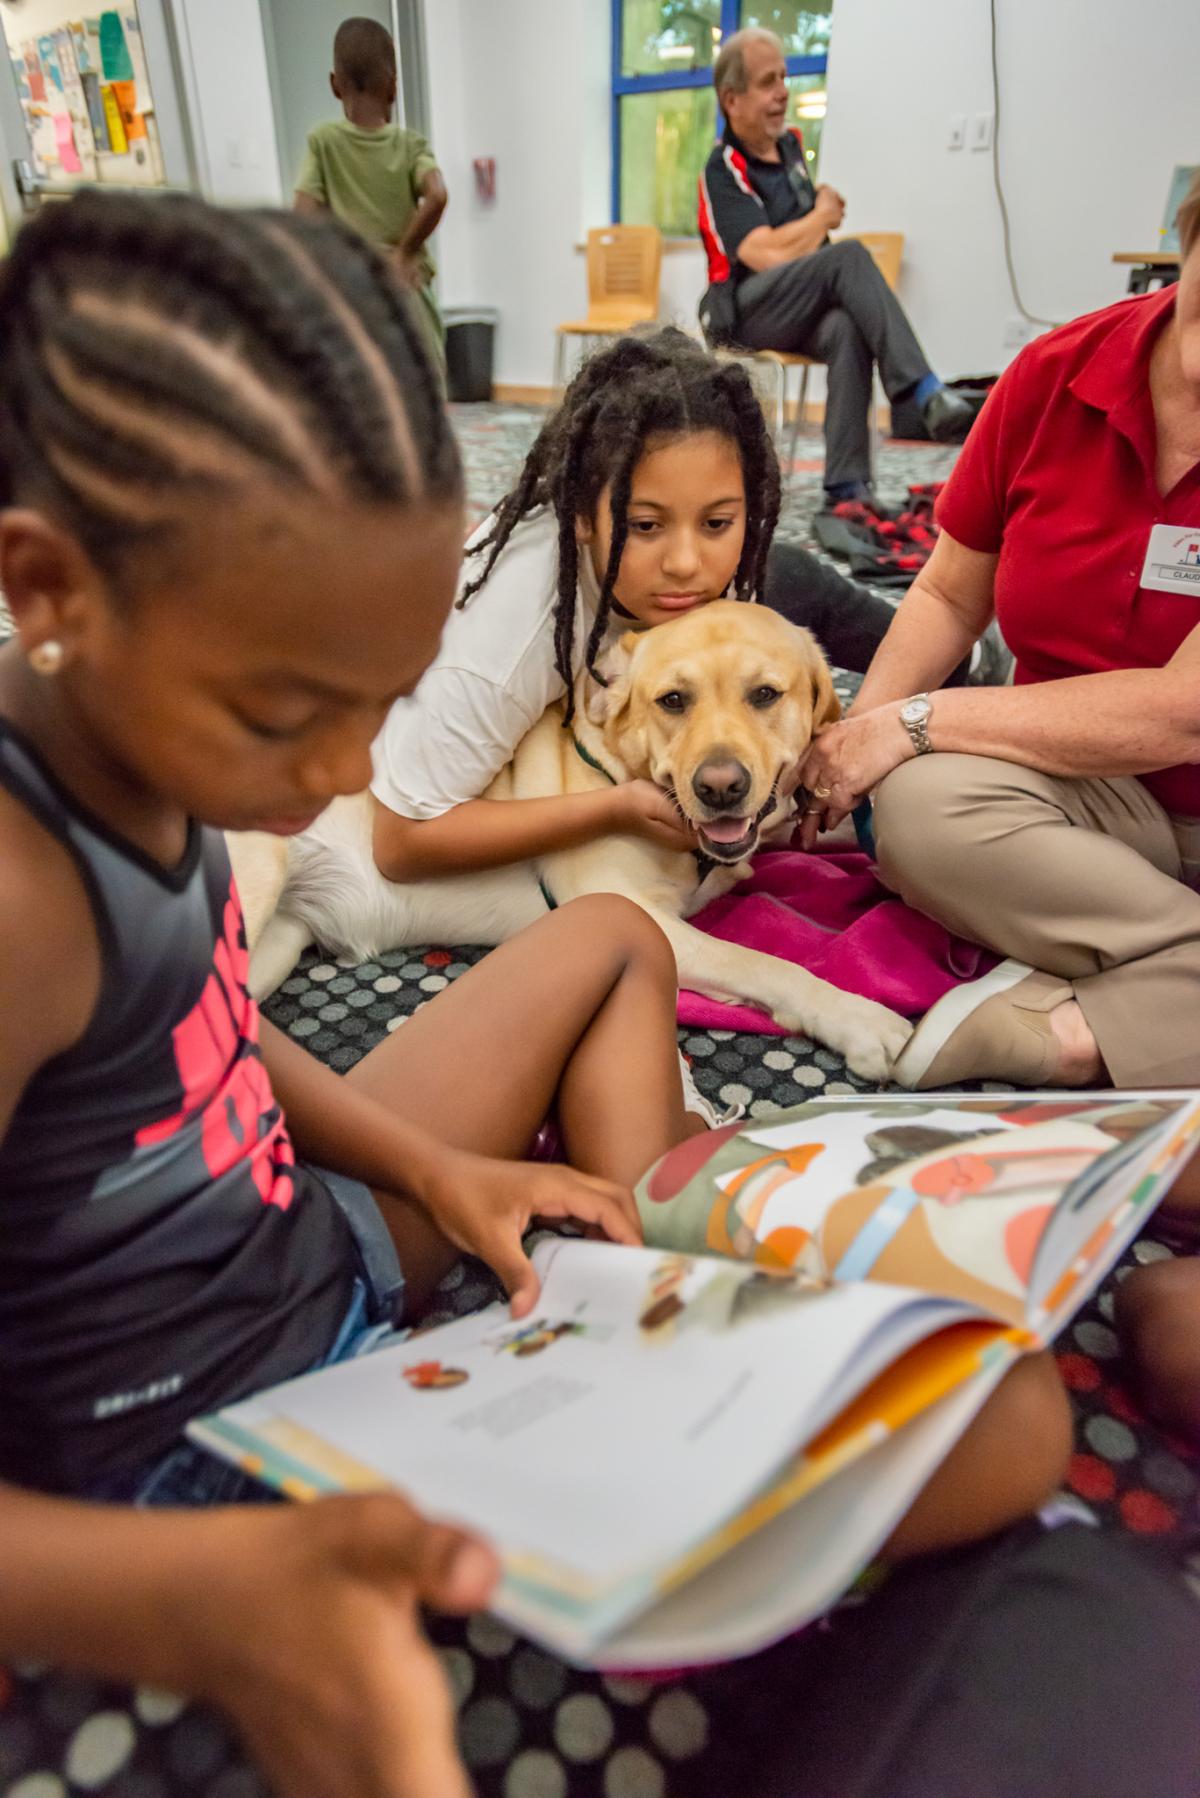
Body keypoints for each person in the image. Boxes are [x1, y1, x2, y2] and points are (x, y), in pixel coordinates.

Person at [0, 191, 1070, 1798]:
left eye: (375, 706)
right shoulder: (16, 900)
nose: (355, 776)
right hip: (198, 1462)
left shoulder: (137, 751)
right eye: (296, 708)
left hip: (315, 1237)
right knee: (1007, 1422)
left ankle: (647, 1238)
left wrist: (441, 1167)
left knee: (617, 944)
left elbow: (202, 1039)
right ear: (46, 589)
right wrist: (203, 1603)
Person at [793, 168, 1200, 1099]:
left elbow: (1183, 714)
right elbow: (944, 595)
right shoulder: (1056, 376)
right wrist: (857, 744)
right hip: (1076, 798)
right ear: (1190, 232)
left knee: (916, 755)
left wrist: (913, 723)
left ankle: (1077, 1034)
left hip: (1168, 782)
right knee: (911, 808)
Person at [698, 27, 978, 505]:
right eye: (768, 82)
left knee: (847, 327)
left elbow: (801, 242)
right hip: (744, 311)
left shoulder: (790, 150)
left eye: (784, 78)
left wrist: (814, 223)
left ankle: (848, 488)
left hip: (795, 303)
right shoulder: (722, 168)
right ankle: (919, 395)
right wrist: (821, 217)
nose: (783, 91)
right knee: (848, 255)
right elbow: (762, 253)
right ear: (732, 99)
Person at [295, 15, 447, 382]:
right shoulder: (410, 146)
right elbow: (437, 194)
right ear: (393, 88)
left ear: (335, 84)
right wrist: (405, 252)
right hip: (406, 292)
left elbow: (303, 217)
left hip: (353, 296)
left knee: (362, 397)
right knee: (422, 396)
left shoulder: (324, 142)